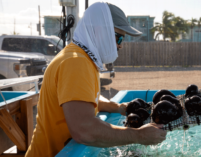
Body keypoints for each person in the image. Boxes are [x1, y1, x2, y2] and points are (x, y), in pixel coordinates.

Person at [25, 2, 167, 157]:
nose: (120, 46)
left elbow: (85, 99)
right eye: (119, 38)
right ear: (100, 31)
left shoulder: (81, 57)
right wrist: (138, 135)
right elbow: (83, 130)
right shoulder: (76, 63)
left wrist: (119, 107)